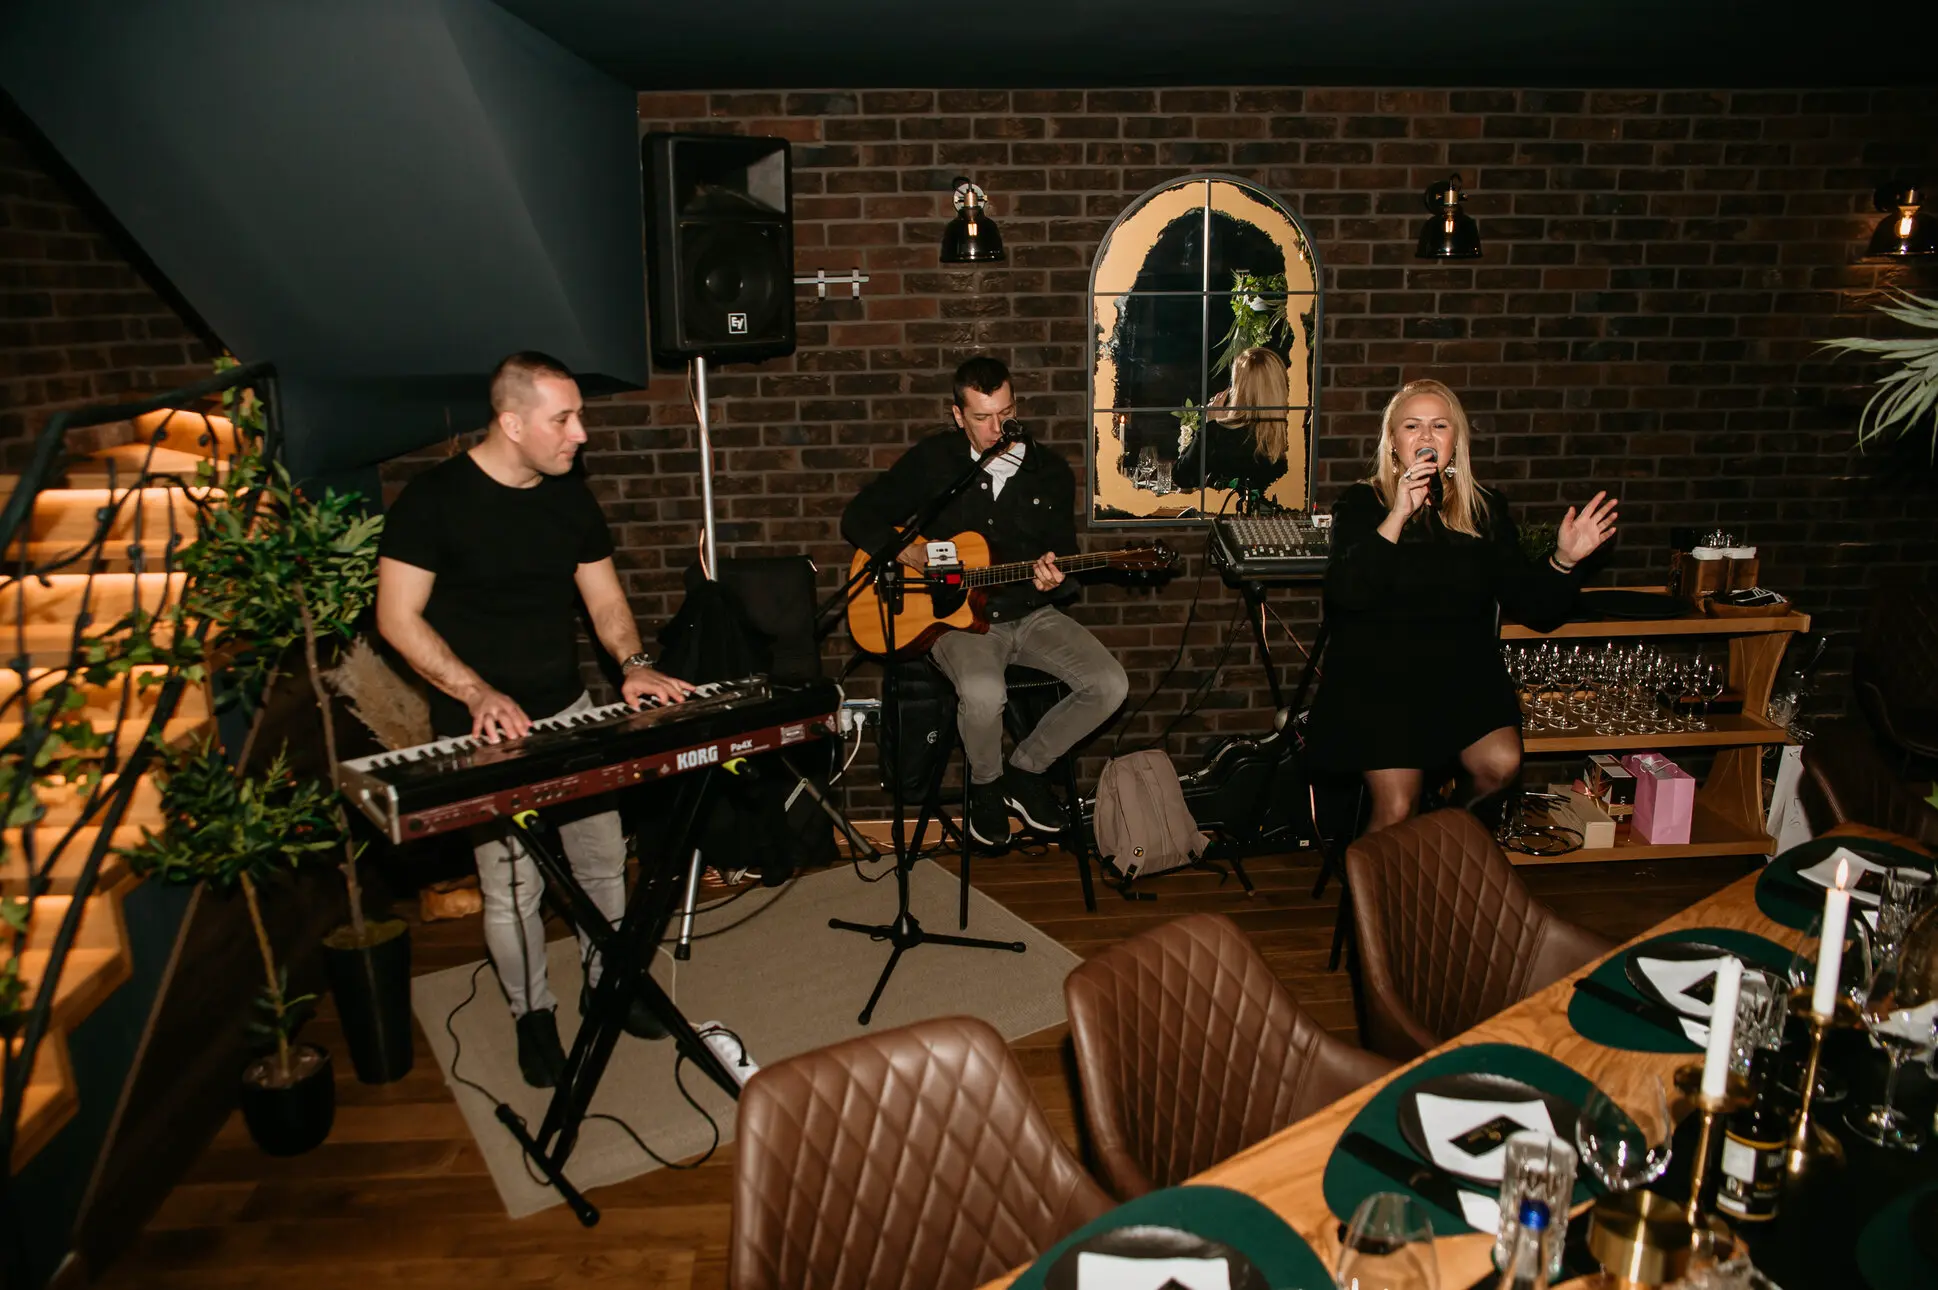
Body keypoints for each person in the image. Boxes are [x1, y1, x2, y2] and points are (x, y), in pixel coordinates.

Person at [375, 351, 694, 1088]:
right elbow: (397, 618)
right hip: (480, 726)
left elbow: (605, 602)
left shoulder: (568, 498)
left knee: (602, 861)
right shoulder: (433, 502)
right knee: (511, 882)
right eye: (564, 419)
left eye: (577, 416)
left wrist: (632, 664)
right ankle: (532, 1013)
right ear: (511, 422)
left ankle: (606, 981)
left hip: (567, 709)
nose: (579, 433)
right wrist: (475, 692)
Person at [1300, 378, 1618, 832]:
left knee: (1502, 761)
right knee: (1396, 807)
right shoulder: (1363, 503)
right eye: (1413, 426)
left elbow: (1536, 607)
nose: (1426, 437)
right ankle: (1373, 898)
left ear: (1455, 441)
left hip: (1460, 681)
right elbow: (1346, 595)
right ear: (1394, 442)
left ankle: (1446, 848)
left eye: (1439, 426)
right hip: (1380, 684)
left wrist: (1564, 560)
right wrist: (1398, 515)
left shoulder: (1484, 510)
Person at [842, 356, 1130, 848]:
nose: (997, 427)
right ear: (958, 416)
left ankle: (1024, 771)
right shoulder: (935, 462)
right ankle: (986, 786)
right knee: (983, 694)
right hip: (956, 622)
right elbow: (859, 516)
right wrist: (911, 553)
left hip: (1030, 613)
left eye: (1005, 412)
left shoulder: (1050, 472)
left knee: (1109, 684)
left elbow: (1063, 556)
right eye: (981, 417)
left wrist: (1051, 581)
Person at [1175, 346, 1293, 496]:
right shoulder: (1295, 433)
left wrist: (1209, 425)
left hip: (1225, 516)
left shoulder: (1219, 433)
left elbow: (1182, 477)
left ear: (1238, 387)